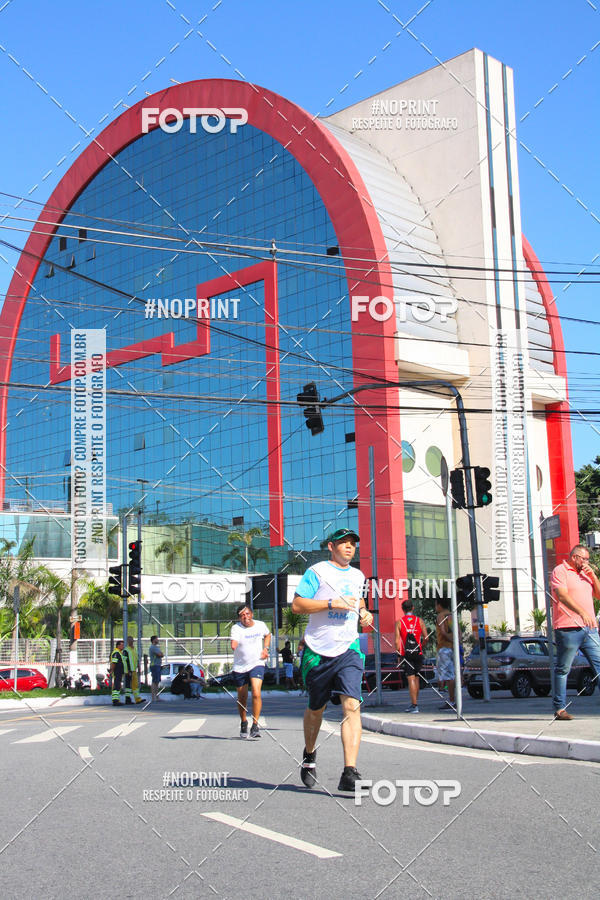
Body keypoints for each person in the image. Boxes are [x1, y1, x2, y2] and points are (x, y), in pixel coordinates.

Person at [292, 527, 373, 792]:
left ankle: (349, 772)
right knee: (316, 709)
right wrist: (330, 604)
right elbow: (298, 605)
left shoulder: (358, 574)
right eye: (344, 543)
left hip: (348, 647)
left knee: (351, 704)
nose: (349, 547)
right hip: (318, 651)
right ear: (331, 546)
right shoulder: (317, 572)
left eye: (353, 543)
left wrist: (364, 612)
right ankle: (310, 754)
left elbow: (358, 601)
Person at [551, 544, 600, 720]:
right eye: (584, 559)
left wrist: (593, 576)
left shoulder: (586, 574)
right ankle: (559, 709)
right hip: (568, 628)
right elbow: (562, 596)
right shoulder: (560, 571)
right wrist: (582, 613)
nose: (586, 562)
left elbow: (599, 595)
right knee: (563, 669)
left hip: (591, 629)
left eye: (588, 559)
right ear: (575, 557)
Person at [230, 604, 271, 738]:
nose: (245, 617)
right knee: (242, 697)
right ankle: (243, 722)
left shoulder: (260, 625)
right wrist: (234, 644)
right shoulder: (236, 628)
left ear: (251, 614)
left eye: (247, 614)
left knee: (256, 692)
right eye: (242, 615)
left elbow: (268, 634)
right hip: (240, 667)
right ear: (239, 618)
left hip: (257, 663)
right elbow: (234, 643)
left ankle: (255, 725)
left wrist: (265, 649)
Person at [395, 599, 429, 713]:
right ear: (413, 608)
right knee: (417, 678)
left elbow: (396, 642)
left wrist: (399, 654)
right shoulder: (420, 621)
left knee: (411, 679)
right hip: (418, 653)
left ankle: (414, 705)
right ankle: (416, 703)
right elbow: (426, 638)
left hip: (407, 654)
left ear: (403, 609)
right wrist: (420, 647)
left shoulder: (399, 622)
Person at [435, 598, 455, 709]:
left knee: (448, 675)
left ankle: (452, 701)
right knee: (452, 674)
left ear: (439, 605)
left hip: (444, 647)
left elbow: (442, 631)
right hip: (452, 648)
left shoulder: (441, 616)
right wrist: (457, 641)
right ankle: (454, 699)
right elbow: (457, 630)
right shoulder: (451, 615)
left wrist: (450, 639)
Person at [110, 640, 131, 706]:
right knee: (116, 686)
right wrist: (112, 670)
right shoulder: (116, 653)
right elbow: (114, 663)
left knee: (118, 685)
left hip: (120, 672)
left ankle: (117, 699)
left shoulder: (120, 652)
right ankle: (115, 700)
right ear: (118, 645)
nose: (123, 646)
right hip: (117, 671)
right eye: (122, 645)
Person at [125, 635, 144, 704]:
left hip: (134, 670)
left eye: (132, 641)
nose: (131, 642)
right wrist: (127, 670)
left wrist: (138, 666)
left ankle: (137, 699)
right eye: (130, 641)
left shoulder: (134, 649)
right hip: (129, 670)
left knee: (135, 685)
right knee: (128, 686)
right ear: (128, 642)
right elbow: (125, 661)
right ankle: (128, 699)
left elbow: (136, 659)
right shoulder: (126, 650)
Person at [149, 635, 164, 703]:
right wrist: (160, 654)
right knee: (154, 681)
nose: (158, 640)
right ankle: (153, 697)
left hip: (157, 665)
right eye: (157, 639)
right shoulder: (153, 647)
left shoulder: (156, 647)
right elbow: (160, 655)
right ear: (153, 640)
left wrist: (161, 654)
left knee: (157, 682)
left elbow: (162, 654)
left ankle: (157, 696)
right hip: (154, 665)